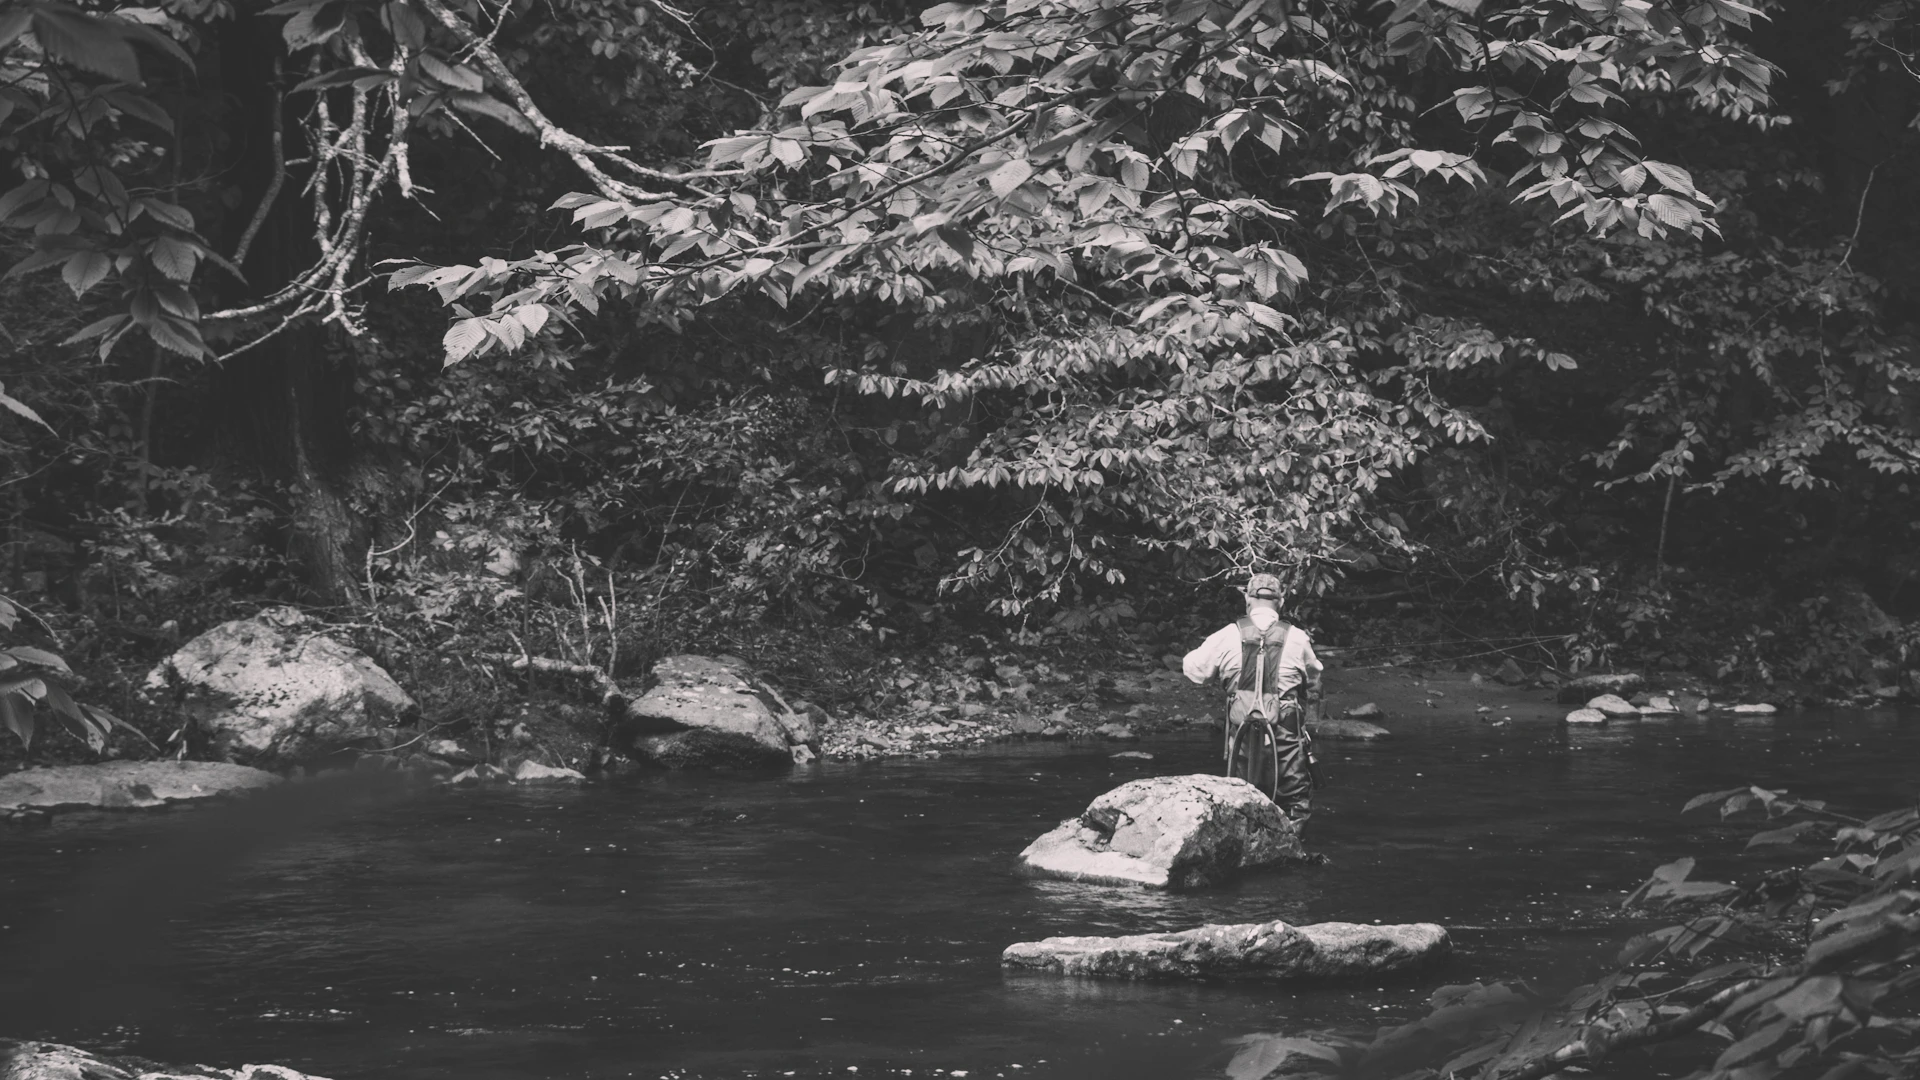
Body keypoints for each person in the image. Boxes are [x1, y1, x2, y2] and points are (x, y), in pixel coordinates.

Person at [1182, 572, 1323, 828]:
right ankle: (1293, 842)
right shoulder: (1299, 638)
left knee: (1240, 792)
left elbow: (1194, 671)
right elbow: (1314, 674)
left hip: (1243, 731)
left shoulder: (1226, 634)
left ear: (1247, 600)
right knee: (1294, 798)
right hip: (1287, 730)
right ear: (1280, 602)